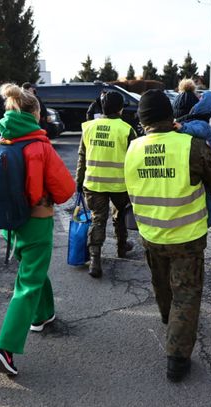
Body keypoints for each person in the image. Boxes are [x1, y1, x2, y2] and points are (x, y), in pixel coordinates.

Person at [0, 83, 75, 376]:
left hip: (7, 225)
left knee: (32, 269)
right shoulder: (40, 147)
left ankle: (43, 315)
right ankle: (5, 349)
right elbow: (65, 190)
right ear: (35, 114)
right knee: (27, 283)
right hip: (37, 223)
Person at [124, 89, 211, 382]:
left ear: (143, 120)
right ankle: (177, 358)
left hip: (151, 234)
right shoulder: (189, 146)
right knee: (186, 293)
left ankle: (169, 321)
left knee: (161, 284)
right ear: (169, 115)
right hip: (187, 236)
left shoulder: (132, 148)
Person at [76, 92, 136, 278]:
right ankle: (121, 247)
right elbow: (134, 161)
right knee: (120, 216)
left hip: (94, 183)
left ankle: (95, 259)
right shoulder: (126, 130)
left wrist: (79, 181)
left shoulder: (88, 127)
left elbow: (82, 157)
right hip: (120, 185)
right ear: (120, 108)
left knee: (97, 219)